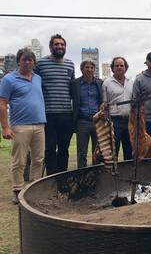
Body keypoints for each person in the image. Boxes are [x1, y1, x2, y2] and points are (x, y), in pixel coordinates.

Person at [0, 48, 46, 204]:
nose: (27, 62)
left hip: (39, 124)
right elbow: (2, 103)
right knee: (19, 161)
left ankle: (34, 189)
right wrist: (5, 127)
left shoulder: (38, 78)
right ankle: (17, 190)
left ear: (34, 62)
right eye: (24, 59)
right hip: (20, 126)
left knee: (38, 160)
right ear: (18, 61)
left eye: (30, 60)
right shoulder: (9, 79)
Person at [34, 34, 74, 175]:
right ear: (51, 46)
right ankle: (51, 178)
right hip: (48, 115)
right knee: (49, 149)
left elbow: (72, 88)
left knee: (64, 148)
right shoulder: (40, 64)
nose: (59, 47)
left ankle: (62, 176)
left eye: (62, 44)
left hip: (66, 114)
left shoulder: (70, 64)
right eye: (56, 44)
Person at [70, 60, 103, 168]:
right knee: (81, 152)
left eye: (91, 68)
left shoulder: (100, 83)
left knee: (97, 151)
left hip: (97, 122)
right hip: (82, 122)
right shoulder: (75, 84)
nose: (89, 70)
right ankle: (82, 176)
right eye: (87, 67)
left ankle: (96, 175)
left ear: (94, 69)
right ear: (82, 69)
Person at [102, 57, 133, 160]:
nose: (119, 67)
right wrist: (107, 124)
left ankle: (129, 174)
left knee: (129, 150)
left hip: (129, 121)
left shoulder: (131, 82)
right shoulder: (107, 83)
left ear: (126, 68)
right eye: (117, 65)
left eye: (121, 65)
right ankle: (113, 174)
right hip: (114, 121)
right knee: (113, 151)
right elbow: (104, 105)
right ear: (112, 68)